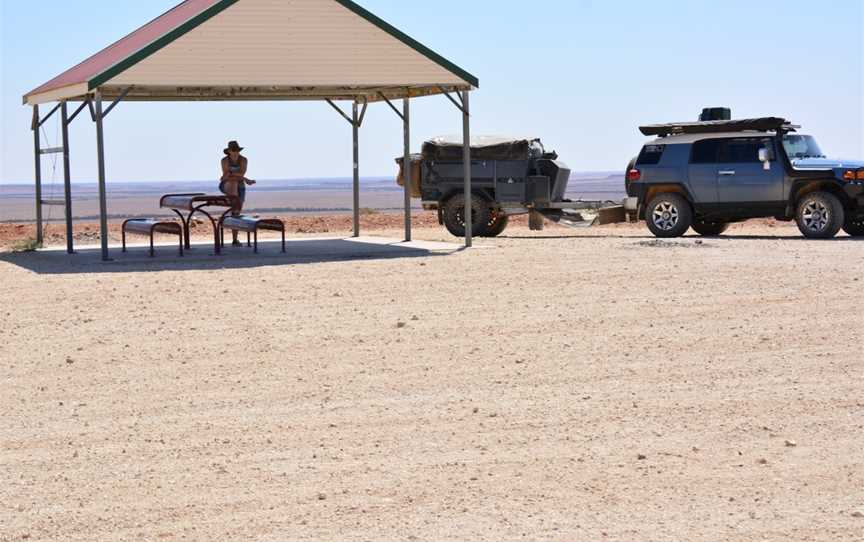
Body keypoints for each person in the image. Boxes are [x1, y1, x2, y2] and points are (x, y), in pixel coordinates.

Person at [219, 141, 256, 246]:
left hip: (241, 187)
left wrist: (233, 174)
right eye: (233, 150)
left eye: (237, 150)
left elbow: (240, 173)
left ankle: (235, 239)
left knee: (236, 213)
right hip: (227, 185)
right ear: (229, 151)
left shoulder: (243, 160)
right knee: (233, 183)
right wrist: (244, 178)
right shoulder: (224, 160)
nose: (235, 153)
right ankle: (233, 201)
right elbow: (226, 176)